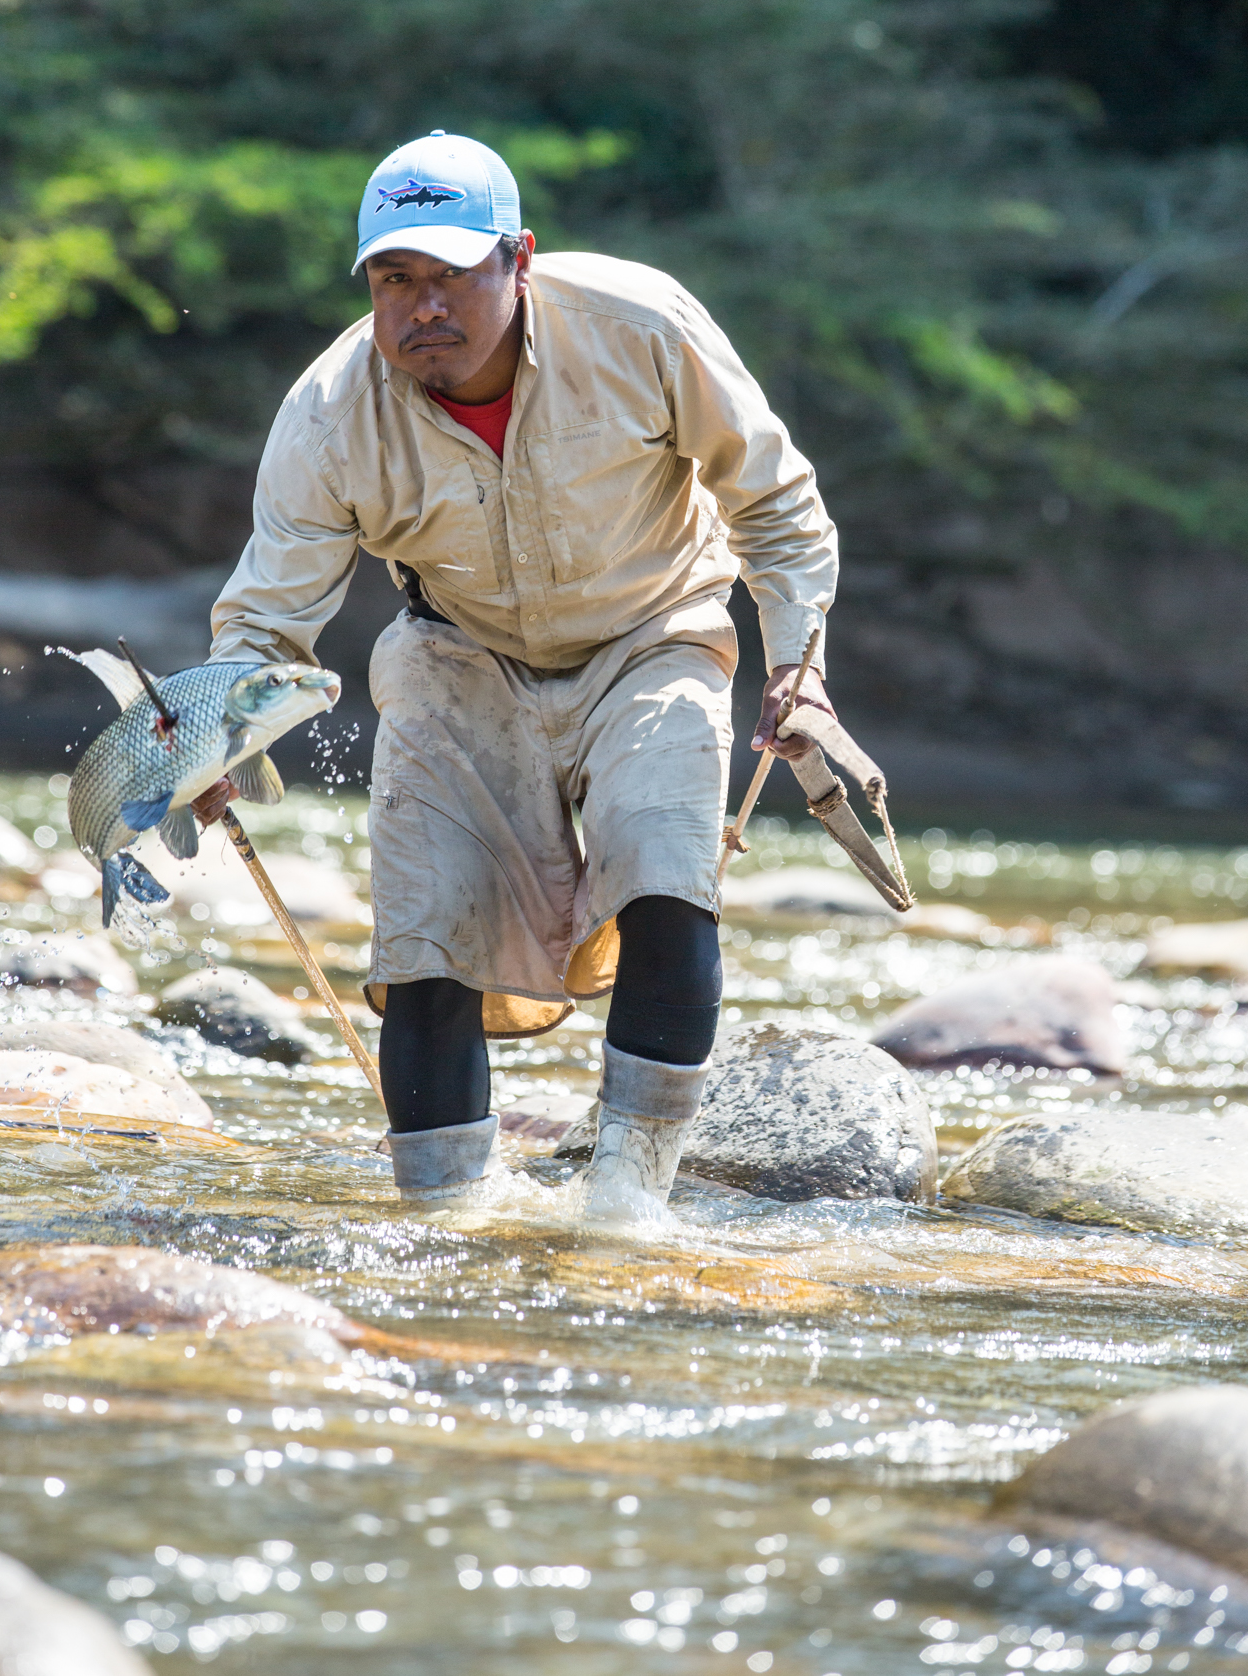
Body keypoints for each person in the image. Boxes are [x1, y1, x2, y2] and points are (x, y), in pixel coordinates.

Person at [194, 131, 838, 1222]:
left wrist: (799, 666)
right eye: (396, 279)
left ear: (520, 259)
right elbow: (267, 613)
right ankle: (441, 1227)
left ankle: (627, 1211)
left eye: (451, 275)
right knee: (425, 941)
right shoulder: (329, 409)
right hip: (456, 652)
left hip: (656, 632)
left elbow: (775, 505)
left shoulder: (643, 326)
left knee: (666, 875)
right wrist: (212, 740)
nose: (423, 306)